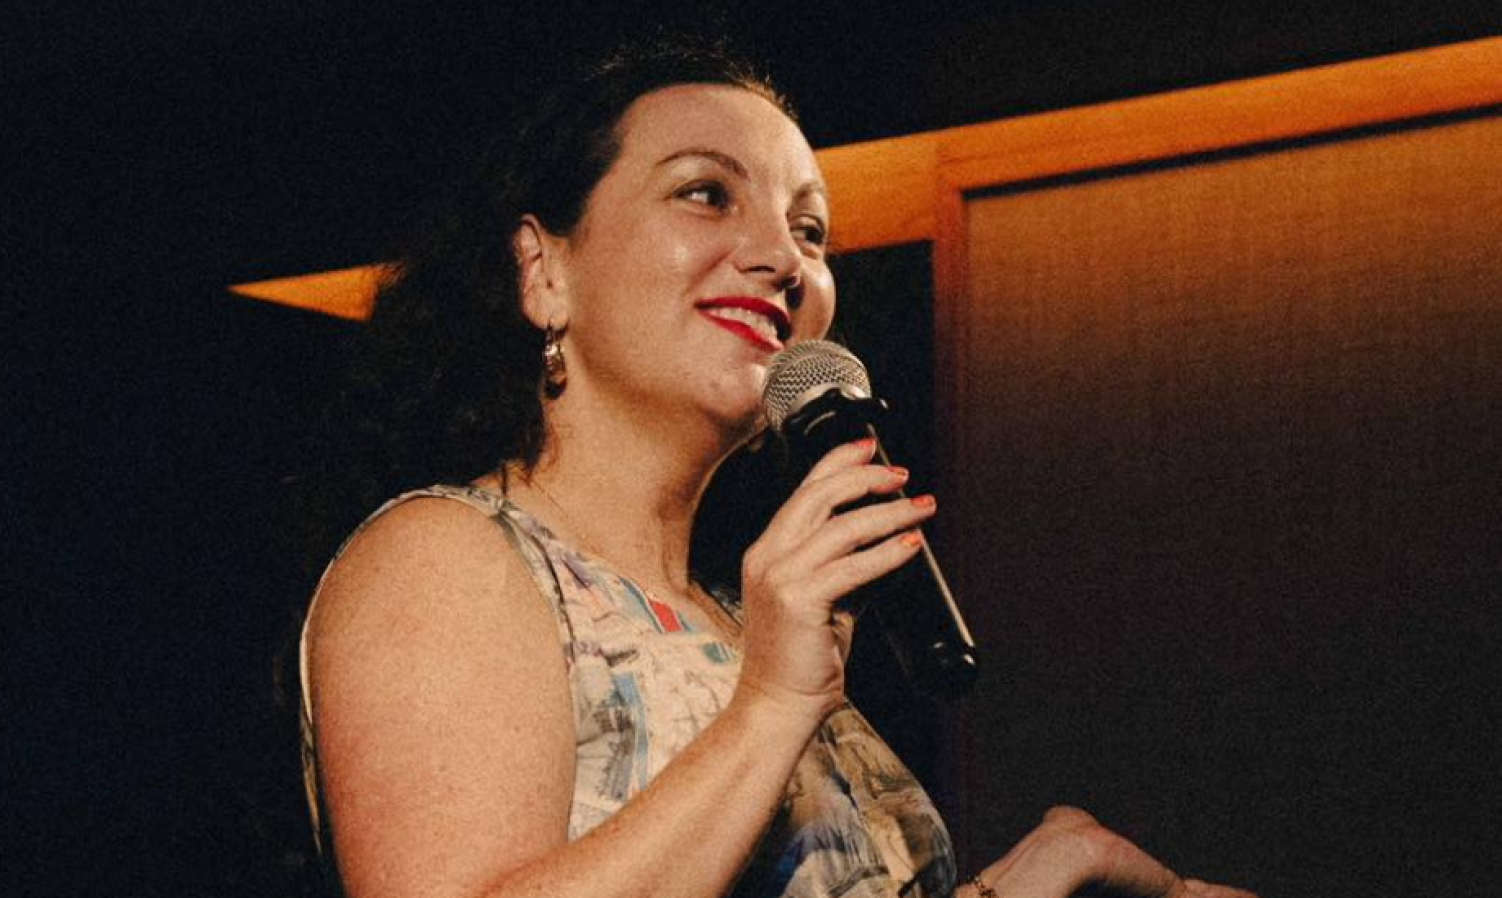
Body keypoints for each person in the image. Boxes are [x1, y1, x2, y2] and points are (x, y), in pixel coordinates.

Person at [298, 36, 1257, 898]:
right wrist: (770, 707)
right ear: (543, 271)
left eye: (810, 230)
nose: (781, 258)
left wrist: (1033, 880)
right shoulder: (445, 557)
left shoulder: (743, 617)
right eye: (707, 193)